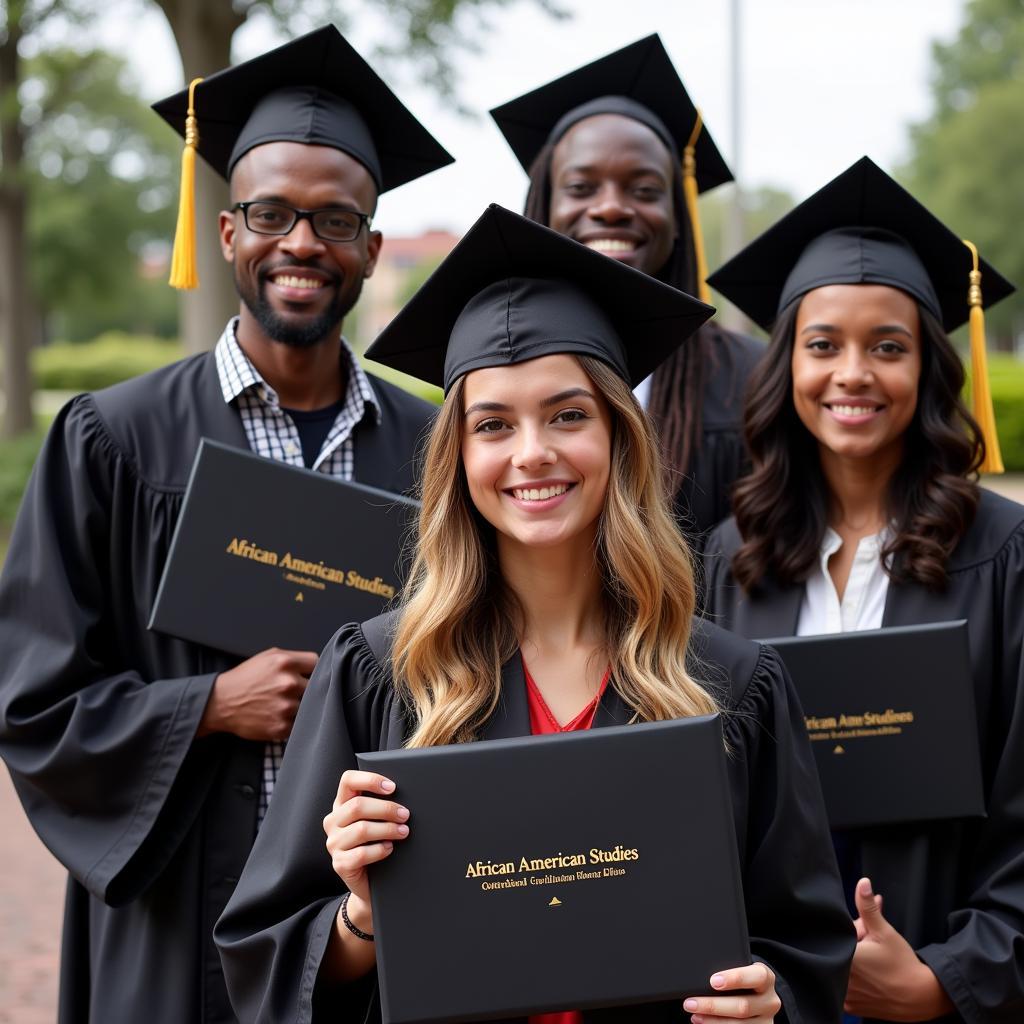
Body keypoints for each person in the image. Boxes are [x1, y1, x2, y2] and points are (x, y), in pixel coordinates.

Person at [214, 205, 855, 1023]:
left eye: (567, 414)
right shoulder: (378, 673)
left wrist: (771, 1004)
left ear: (620, 437)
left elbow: (804, 949)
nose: (531, 453)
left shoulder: (733, 681)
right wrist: (363, 916)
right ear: (460, 458)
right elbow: (270, 959)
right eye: (492, 425)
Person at [0, 26, 452, 1024]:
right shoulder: (112, 439)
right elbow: (32, 700)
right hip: (177, 911)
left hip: (374, 905)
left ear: (372, 251)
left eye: (336, 221)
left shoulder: (436, 452)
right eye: (271, 213)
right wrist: (206, 704)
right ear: (227, 233)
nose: (301, 242)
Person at [702, 157, 1024, 1023]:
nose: (853, 372)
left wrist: (951, 979)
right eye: (823, 345)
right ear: (786, 366)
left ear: (927, 367)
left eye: (888, 346)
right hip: (765, 995)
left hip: (939, 974)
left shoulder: (1003, 557)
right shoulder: (731, 561)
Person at [490, 34, 764, 547]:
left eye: (643, 190)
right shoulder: (492, 373)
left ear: (678, 216)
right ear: (544, 205)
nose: (612, 208)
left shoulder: (750, 381)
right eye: (581, 188)